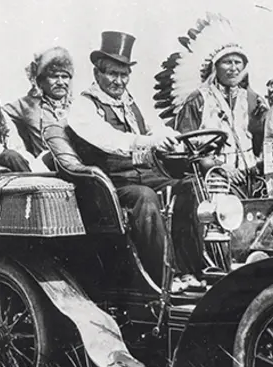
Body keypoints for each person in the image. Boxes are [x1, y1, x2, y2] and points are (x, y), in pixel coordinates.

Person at [57, 31, 205, 292]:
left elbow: (155, 127)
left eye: (124, 74)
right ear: (97, 73)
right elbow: (107, 139)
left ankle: (191, 271)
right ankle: (162, 279)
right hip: (107, 186)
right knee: (144, 198)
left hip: (143, 176)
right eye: (112, 74)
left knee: (189, 187)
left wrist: (171, 138)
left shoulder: (131, 103)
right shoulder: (84, 106)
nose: (119, 81)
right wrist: (146, 142)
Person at [173, 39, 273, 196]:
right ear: (215, 66)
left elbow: (267, 138)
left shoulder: (252, 99)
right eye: (227, 62)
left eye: (238, 62)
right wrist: (218, 166)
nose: (233, 68)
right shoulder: (198, 100)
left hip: (252, 179)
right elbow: (184, 150)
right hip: (213, 180)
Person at [5, 47, 75, 164]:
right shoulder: (27, 104)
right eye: (54, 76)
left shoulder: (78, 105)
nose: (60, 82)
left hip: (78, 164)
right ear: (41, 81)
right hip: (47, 166)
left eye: (64, 76)